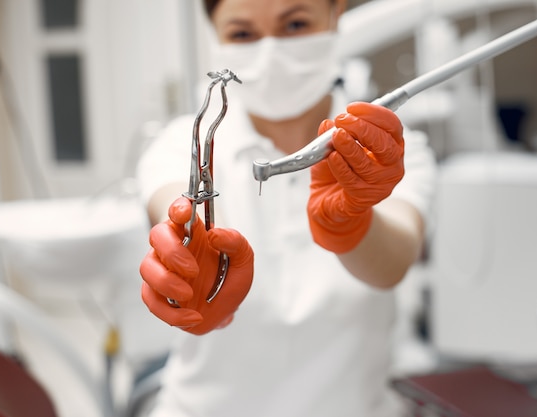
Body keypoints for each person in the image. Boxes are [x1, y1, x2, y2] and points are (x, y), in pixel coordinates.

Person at [136, 0, 437, 415]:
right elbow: (175, 202)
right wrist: (191, 261)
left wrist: (352, 225)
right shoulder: (178, 146)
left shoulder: (389, 151)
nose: (270, 51)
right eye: (242, 34)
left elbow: (393, 261)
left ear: (336, 15)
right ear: (216, 36)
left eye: (295, 23)